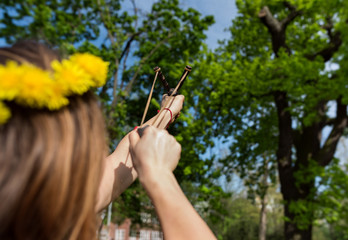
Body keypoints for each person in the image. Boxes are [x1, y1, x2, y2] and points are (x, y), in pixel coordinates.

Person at [0, 41, 216, 240]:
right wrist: (160, 177)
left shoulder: (39, 206)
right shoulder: (44, 216)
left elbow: (122, 161)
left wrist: (167, 112)